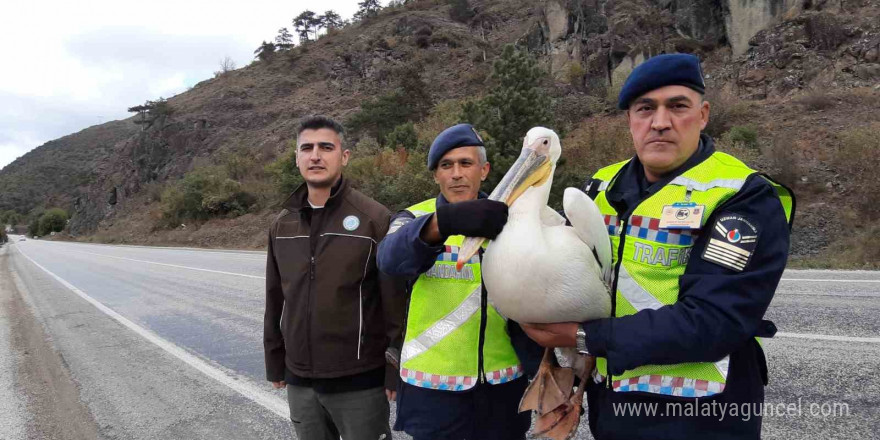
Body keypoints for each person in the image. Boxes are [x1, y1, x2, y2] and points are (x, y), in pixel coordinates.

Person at [519, 53, 795, 439]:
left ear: (703, 115)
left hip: (702, 416)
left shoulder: (741, 195)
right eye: (645, 108)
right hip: (614, 409)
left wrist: (583, 337)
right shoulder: (599, 188)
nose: (660, 122)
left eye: (678, 106)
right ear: (630, 120)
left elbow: (716, 320)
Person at [376, 124, 542, 440]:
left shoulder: (515, 221)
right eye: (446, 165)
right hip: (432, 389)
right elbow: (389, 259)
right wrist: (442, 225)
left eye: (465, 164)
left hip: (502, 386)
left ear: (484, 170)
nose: (456, 174)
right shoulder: (414, 218)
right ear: (435, 175)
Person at [264, 115, 405, 440]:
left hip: (360, 383)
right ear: (296, 157)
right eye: (307, 148)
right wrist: (275, 358)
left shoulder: (375, 220)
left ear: (344, 156)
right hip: (300, 380)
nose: (316, 155)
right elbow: (275, 298)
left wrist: (393, 367)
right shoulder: (282, 226)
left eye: (326, 147)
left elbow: (394, 306)